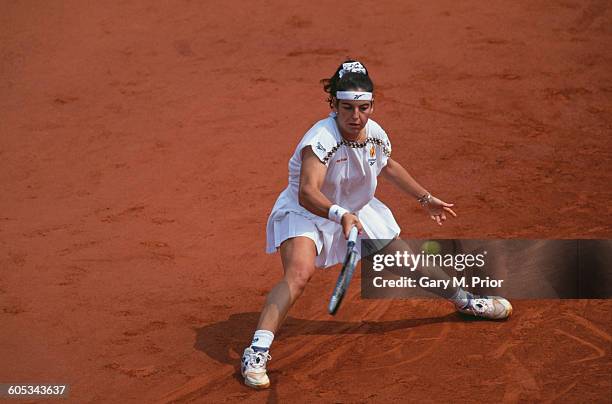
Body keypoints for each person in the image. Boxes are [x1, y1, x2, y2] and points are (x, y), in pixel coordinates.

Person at [241, 60, 512, 389]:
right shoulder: (320, 140)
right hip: (308, 213)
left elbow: (388, 166)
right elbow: (308, 192)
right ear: (333, 105)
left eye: (364, 108)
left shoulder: (374, 133)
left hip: (355, 209)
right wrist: (338, 214)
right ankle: (256, 351)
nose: (355, 117)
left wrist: (425, 199)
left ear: (372, 105)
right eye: (347, 108)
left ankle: (465, 300)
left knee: (405, 262)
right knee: (299, 273)